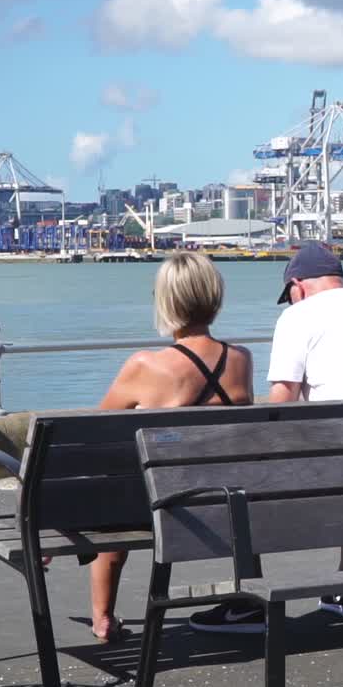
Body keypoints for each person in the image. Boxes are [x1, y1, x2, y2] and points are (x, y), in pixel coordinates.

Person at [189, 242, 343, 633]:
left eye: (289, 298)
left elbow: (279, 407)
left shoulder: (299, 318)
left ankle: (248, 604)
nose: (290, 304)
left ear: (297, 286)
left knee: (251, 467)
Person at [89, 251, 253, 643]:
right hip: (220, 501)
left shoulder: (146, 365)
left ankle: (102, 617)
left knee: (114, 485)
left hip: (153, 507)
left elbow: (92, 433)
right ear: (215, 297)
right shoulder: (241, 360)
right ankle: (247, 600)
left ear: (165, 300)